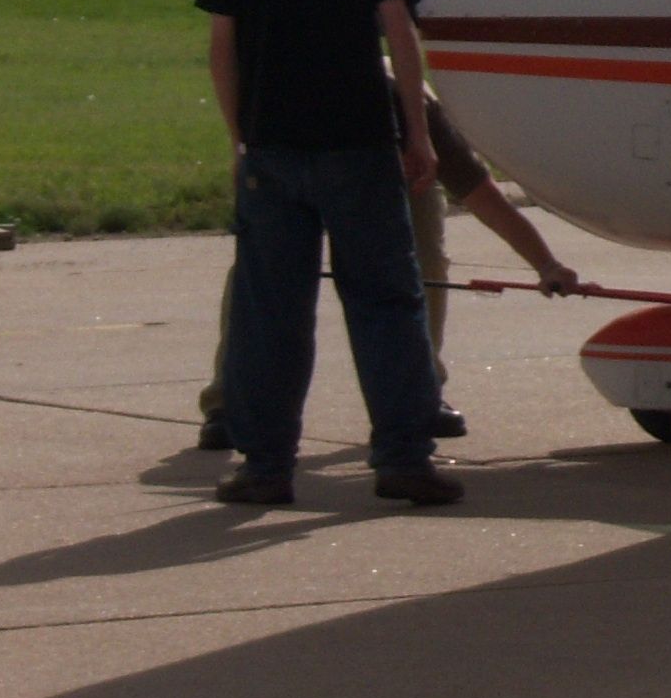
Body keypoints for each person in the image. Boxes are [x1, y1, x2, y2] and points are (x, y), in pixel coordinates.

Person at [198, 0, 458, 507]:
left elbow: (222, 48)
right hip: (358, 144)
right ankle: (403, 455)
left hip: (273, 147)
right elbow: (399, 34)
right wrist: (417, 127)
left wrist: (239, 137)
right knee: (386, 302)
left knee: (272, 310)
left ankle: (266, 464)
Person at [197, 88, 582, 449]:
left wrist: (547, 265)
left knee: (422, 258)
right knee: (260, 267)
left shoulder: (414, 120)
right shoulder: (291, 110)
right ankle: (230, 400)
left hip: (403, 142)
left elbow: (484, 198)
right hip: (296, 148)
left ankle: (421, 391)